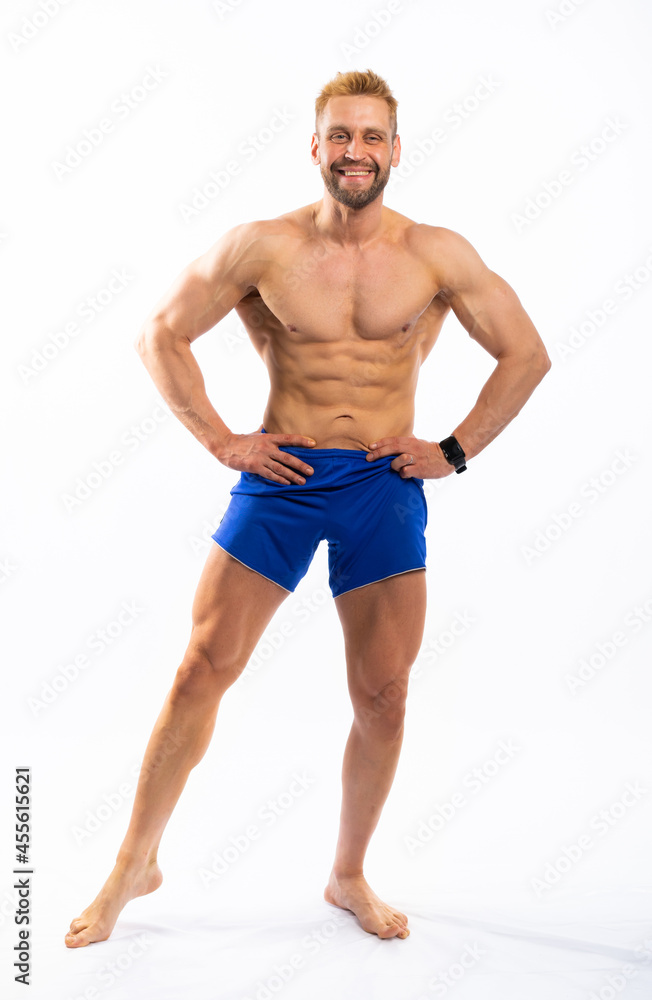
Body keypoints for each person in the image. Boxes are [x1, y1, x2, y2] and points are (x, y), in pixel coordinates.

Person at [65, 68, 551, 948]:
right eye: (341, 135)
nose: (355, 151)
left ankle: (347, 873)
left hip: (382, 485)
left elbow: (525, 354)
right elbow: (158, 334)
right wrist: (222, 441)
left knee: (385, 695)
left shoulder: (437, 253)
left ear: (395, 150)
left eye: (372, 137)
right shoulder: (262, 247)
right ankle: (134, 863)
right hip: (282, 475)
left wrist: (450, 452)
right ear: (316, 146)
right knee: (201, 668)